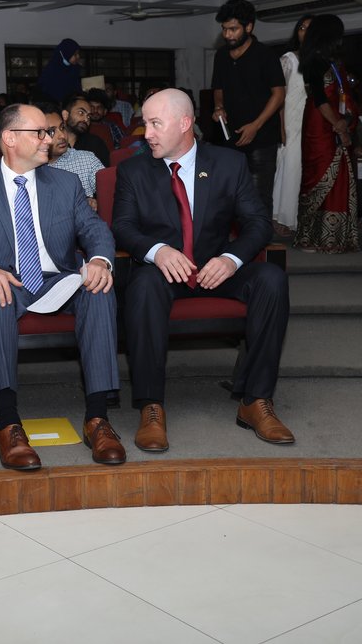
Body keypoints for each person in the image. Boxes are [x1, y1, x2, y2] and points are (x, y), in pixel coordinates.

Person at [113, 89, 293, 452]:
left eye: (154, 123)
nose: (145, 133)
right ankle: (151, 406)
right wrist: (157, 251)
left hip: (216, 268)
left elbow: (258, 223)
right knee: (144, 286)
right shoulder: (134, 170)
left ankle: (255, 401)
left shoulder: (229, 163)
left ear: (185, 123)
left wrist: (231, 260)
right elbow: (123, 226)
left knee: (271, 278)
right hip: (164, 273)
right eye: (145, 123)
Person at [0, 104, 123, 468]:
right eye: (41, 132)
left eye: (50, 131)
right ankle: (8, 424)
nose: (51, 138)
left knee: (99, 288)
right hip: (8, 278)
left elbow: (93, 229)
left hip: (58, 277)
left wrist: (100, 260)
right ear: (10, 139)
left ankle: (98, 418)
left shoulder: (65, 182)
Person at [211, 0, 286, 222]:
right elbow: (218, 89)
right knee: (230, 191)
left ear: (249, 27)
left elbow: (279, 93)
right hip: (229, 135)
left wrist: (255, 125)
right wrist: (218, 107)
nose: (227, 35)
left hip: (261, 136)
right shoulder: (221, 55)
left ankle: (262, 243)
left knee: (259, 193)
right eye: (224, 29)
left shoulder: (265, 55)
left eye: (233, 29)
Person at [296, 14, 359, 254]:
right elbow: (320, 98)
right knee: (319, 174)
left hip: (334, 120)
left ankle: (334, 238)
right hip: (319, 123)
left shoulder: (334, 62)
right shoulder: (314, 61)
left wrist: (343, 123)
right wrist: (338, 124)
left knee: (340, 176)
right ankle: (311, 237)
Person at [273, 15, 314, 237]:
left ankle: (299, 219)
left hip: (311, 124)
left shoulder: (318, 62)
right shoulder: (289, 59)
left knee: (303, 172)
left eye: (310, 28)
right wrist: (281, 127)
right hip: (290, 122)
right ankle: (282, 219)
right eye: (301, 27)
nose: (304, 32)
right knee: (289, 169)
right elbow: (278, 96)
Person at [47, 105, 104, 210]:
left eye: (62, 128)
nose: (62, 136)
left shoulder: (87, 159)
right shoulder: (29, 169)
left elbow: (109, 194)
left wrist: (95, 202)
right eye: (51, 131)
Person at [62, 93, 110, 166]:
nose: (86, 119)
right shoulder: (51, 143)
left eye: (88, 116)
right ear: (65, 115)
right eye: (81, 113)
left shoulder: (95, 144)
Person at [37, 39, 81, 103]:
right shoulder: (51, 71)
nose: (78, 56)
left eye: (78, 54)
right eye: (75, 54)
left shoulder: (75, 70)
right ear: (66, 53)